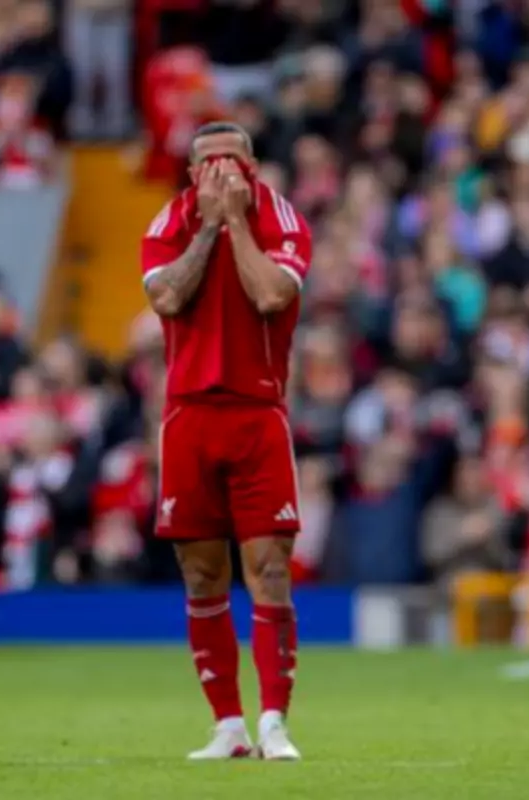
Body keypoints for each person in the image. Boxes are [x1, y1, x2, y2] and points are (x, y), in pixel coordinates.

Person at [141, 121, 312, 761]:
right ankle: (229, 726)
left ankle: (274, 722)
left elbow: (271, 294)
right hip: (188, 414)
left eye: (232, 163)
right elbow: (165, 296)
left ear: (254, 167)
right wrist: (209, 226)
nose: (221, 175)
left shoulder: (283, 218)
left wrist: (235, 223)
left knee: (269, 569)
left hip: (257, 411)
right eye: (208, 164)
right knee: (200, 572)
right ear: (191, 174)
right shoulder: (168, 222)